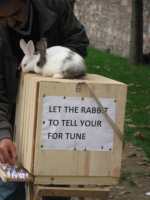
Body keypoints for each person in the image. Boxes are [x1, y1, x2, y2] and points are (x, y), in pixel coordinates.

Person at [0, 0, 89, 199]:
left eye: (15, 15)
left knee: (54, 179)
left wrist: (54, 65)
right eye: (2, 18)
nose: (9, 23)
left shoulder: (55, 6)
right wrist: (3, 134)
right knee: (10, 183)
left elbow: (79, 42)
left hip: (57, 113)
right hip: (16, 118)